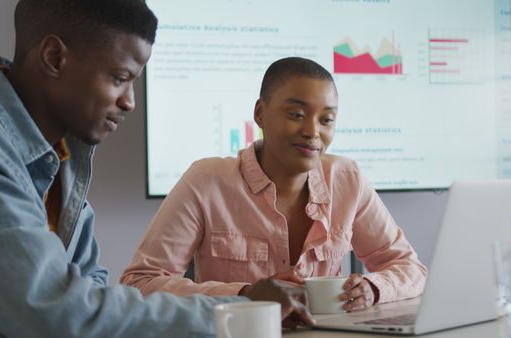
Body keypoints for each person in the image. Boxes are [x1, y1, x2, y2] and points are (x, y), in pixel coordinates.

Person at [0, 1, 313, 337]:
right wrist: (241, 310)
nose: (129, 102)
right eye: (120, 78)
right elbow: (60, 314)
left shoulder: (59, 155)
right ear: (54, 57)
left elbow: (91, 293)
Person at [121, 57, 428, 312]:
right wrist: (246, 295)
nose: (312, 131)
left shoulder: (347, 179)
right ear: (260, 113)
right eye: (296, 114)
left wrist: (374, 288)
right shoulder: (206, 181)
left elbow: (411, 269)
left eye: (326, 120)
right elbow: (139, 284)